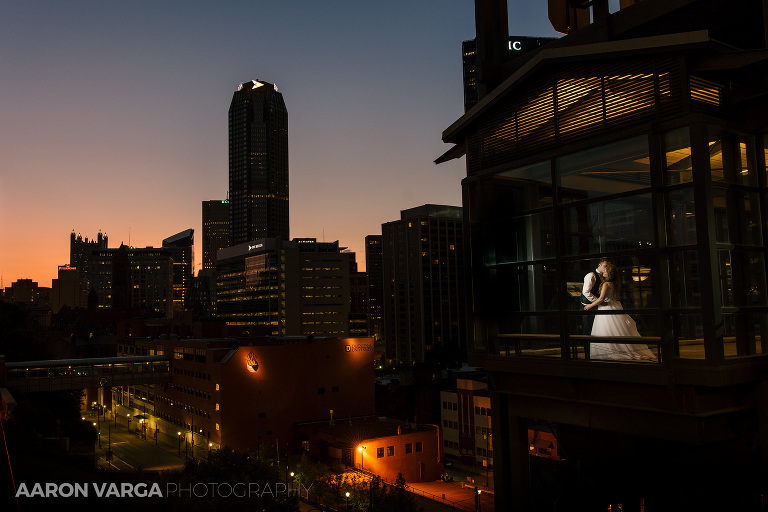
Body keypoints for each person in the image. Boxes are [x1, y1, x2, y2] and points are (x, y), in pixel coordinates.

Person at [584, 263, 656, 361]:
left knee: (606, 330)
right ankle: (617, 349)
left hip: (607, 307)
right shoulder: (615, 283)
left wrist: (590, 305)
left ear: (609, 273)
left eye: (605, 271)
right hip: (615, 306)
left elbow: (601, 299)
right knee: (615, 330)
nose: (604, 272)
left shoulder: (606, 284)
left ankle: (610, 351)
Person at [581, 258, 610, 335]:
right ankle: (587, 347)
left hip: (596, 305)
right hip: (588, 305)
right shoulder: (591, 275)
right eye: (605, 266)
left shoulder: (604, 276)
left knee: (596, 328)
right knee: (588, 328)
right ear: (599, 265)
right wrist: (597, 302)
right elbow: (586, 292)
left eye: (608, 266)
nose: (606, 268)